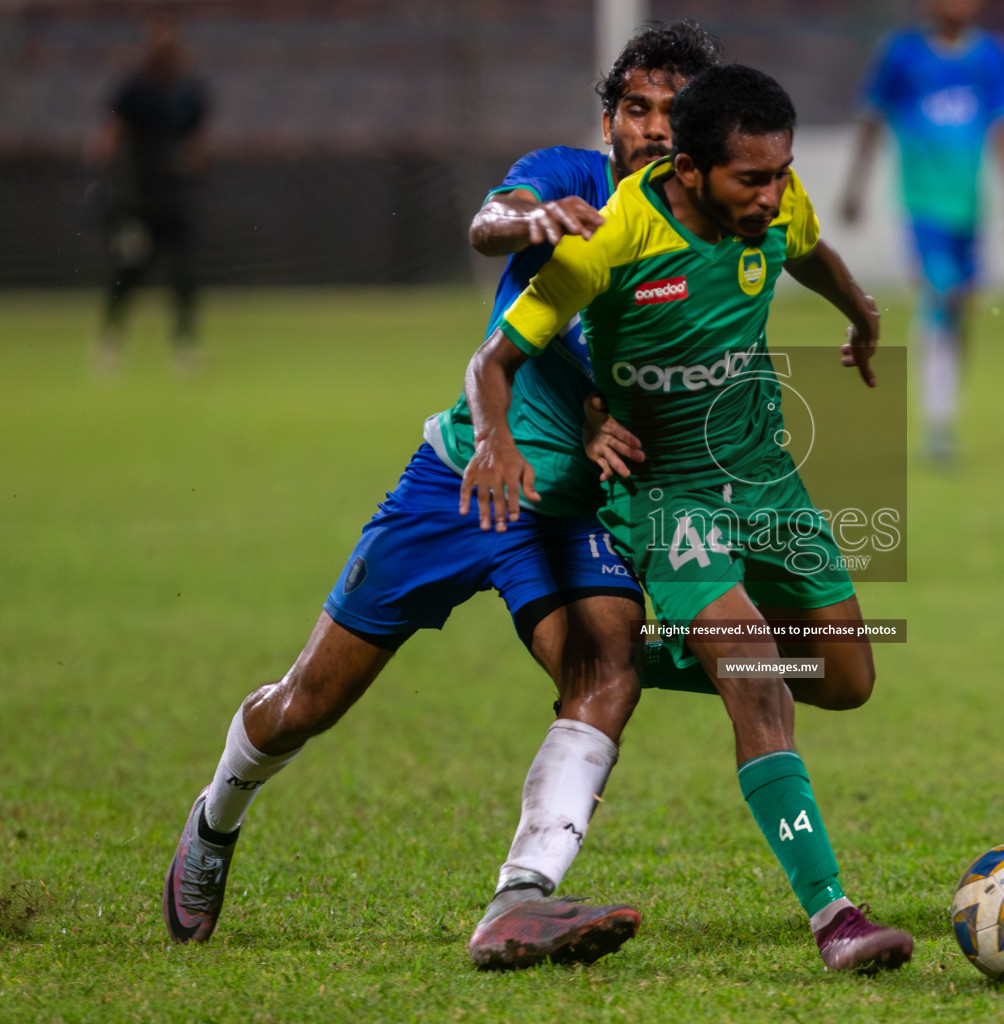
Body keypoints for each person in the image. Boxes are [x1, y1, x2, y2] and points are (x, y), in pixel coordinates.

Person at [163, 22, 730, 971]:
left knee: (606, 673)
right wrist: (532, 224)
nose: (655, 129)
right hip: (463, 483)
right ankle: (217, 816)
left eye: (676, 114)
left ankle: (520, 899)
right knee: (307, 703)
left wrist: (611, 423)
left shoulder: (706, 234)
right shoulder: (569, 179)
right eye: (637, 109)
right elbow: (487, 223)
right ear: (609, 120)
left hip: (568, 509)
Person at [460, 63, 913, 973]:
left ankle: (666, 650)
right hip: (672, 496)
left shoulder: (775, 203)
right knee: (760, 681)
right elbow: (496, 359)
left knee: (849, 679)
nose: (773, 194)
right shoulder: (614, 238)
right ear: (693, 170)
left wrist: (859, 311)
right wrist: (493, 438)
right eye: (753, 178)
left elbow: (808, 246)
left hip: (769, 481)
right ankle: (836, 920)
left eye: (782, 171)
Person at [841, 0, 1004, 462]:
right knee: (940, 294)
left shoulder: (992, 55)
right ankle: (937, 422)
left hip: (968, 207)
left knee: (961, 305)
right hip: (922, 205)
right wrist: (856, 185)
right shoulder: (902, 54)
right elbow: (873, 118)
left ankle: (945, 408)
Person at [91, 21, 209, 372]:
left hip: (174, 197)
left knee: (183, 274)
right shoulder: (133, 90)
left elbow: (200, 143)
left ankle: (185, 347)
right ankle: (109, 343)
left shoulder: (188, 92)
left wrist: (190, 163)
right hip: (137, 198)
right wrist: (115, 186)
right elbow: (110, 138)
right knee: (128, 271)